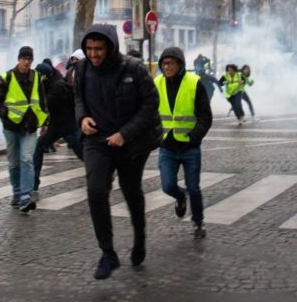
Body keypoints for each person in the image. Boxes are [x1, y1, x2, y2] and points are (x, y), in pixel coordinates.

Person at [73, 24, 162, 280]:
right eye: (89, 49)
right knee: (95, 190)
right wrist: (82, 119)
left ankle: (139, 237)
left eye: (98, 49)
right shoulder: (81, 69)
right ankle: (108, 253)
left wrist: (125, 134)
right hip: (97, 139)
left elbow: (151, 104)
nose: (93, 54)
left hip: (132, 141)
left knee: (131, 189)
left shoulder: (132, 68)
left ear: (110, 47)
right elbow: (78, 98)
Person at [155, 47, 212, 238]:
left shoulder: (194, 83)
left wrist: (195, 136)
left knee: (194, 187)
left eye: (170, 63)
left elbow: (205, 116)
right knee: (167, 186)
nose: (166, 66)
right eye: (163, 63)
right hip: (167, 147)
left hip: (189, 147)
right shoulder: (157, 83)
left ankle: (198, 222)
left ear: (180, 64)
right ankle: (180, 197)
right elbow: (149, 112)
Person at [0, 46, 48, 213]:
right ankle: (17, 192)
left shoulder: (36, 77)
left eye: (29, 59)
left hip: (30, 126)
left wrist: (45, 122)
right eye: (24, 59)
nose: (27, 62)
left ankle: (26, 197)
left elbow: (42, 100)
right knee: (14, 162)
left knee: (27, 159)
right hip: (11, 127)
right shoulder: (7, 77)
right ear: (19, 59)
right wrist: (5, 113)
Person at [32, 63, 84, 191]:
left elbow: (48, 105)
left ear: (45, 76)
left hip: (67, 126)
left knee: (83, 154)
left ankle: (101, 172)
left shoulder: (57, 86)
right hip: (57, 126)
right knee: (38, 147)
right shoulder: (53, 83)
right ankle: (34, 181)